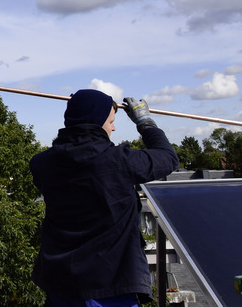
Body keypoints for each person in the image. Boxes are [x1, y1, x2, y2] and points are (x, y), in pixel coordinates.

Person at [29, 89, 179, 307]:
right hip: (110, 286)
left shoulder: (41, 164)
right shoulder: (118, 161)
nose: (114, 127)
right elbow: (168, 158)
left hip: (61, 286)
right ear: (97, 122)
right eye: (111, 121)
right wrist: (145, 122)